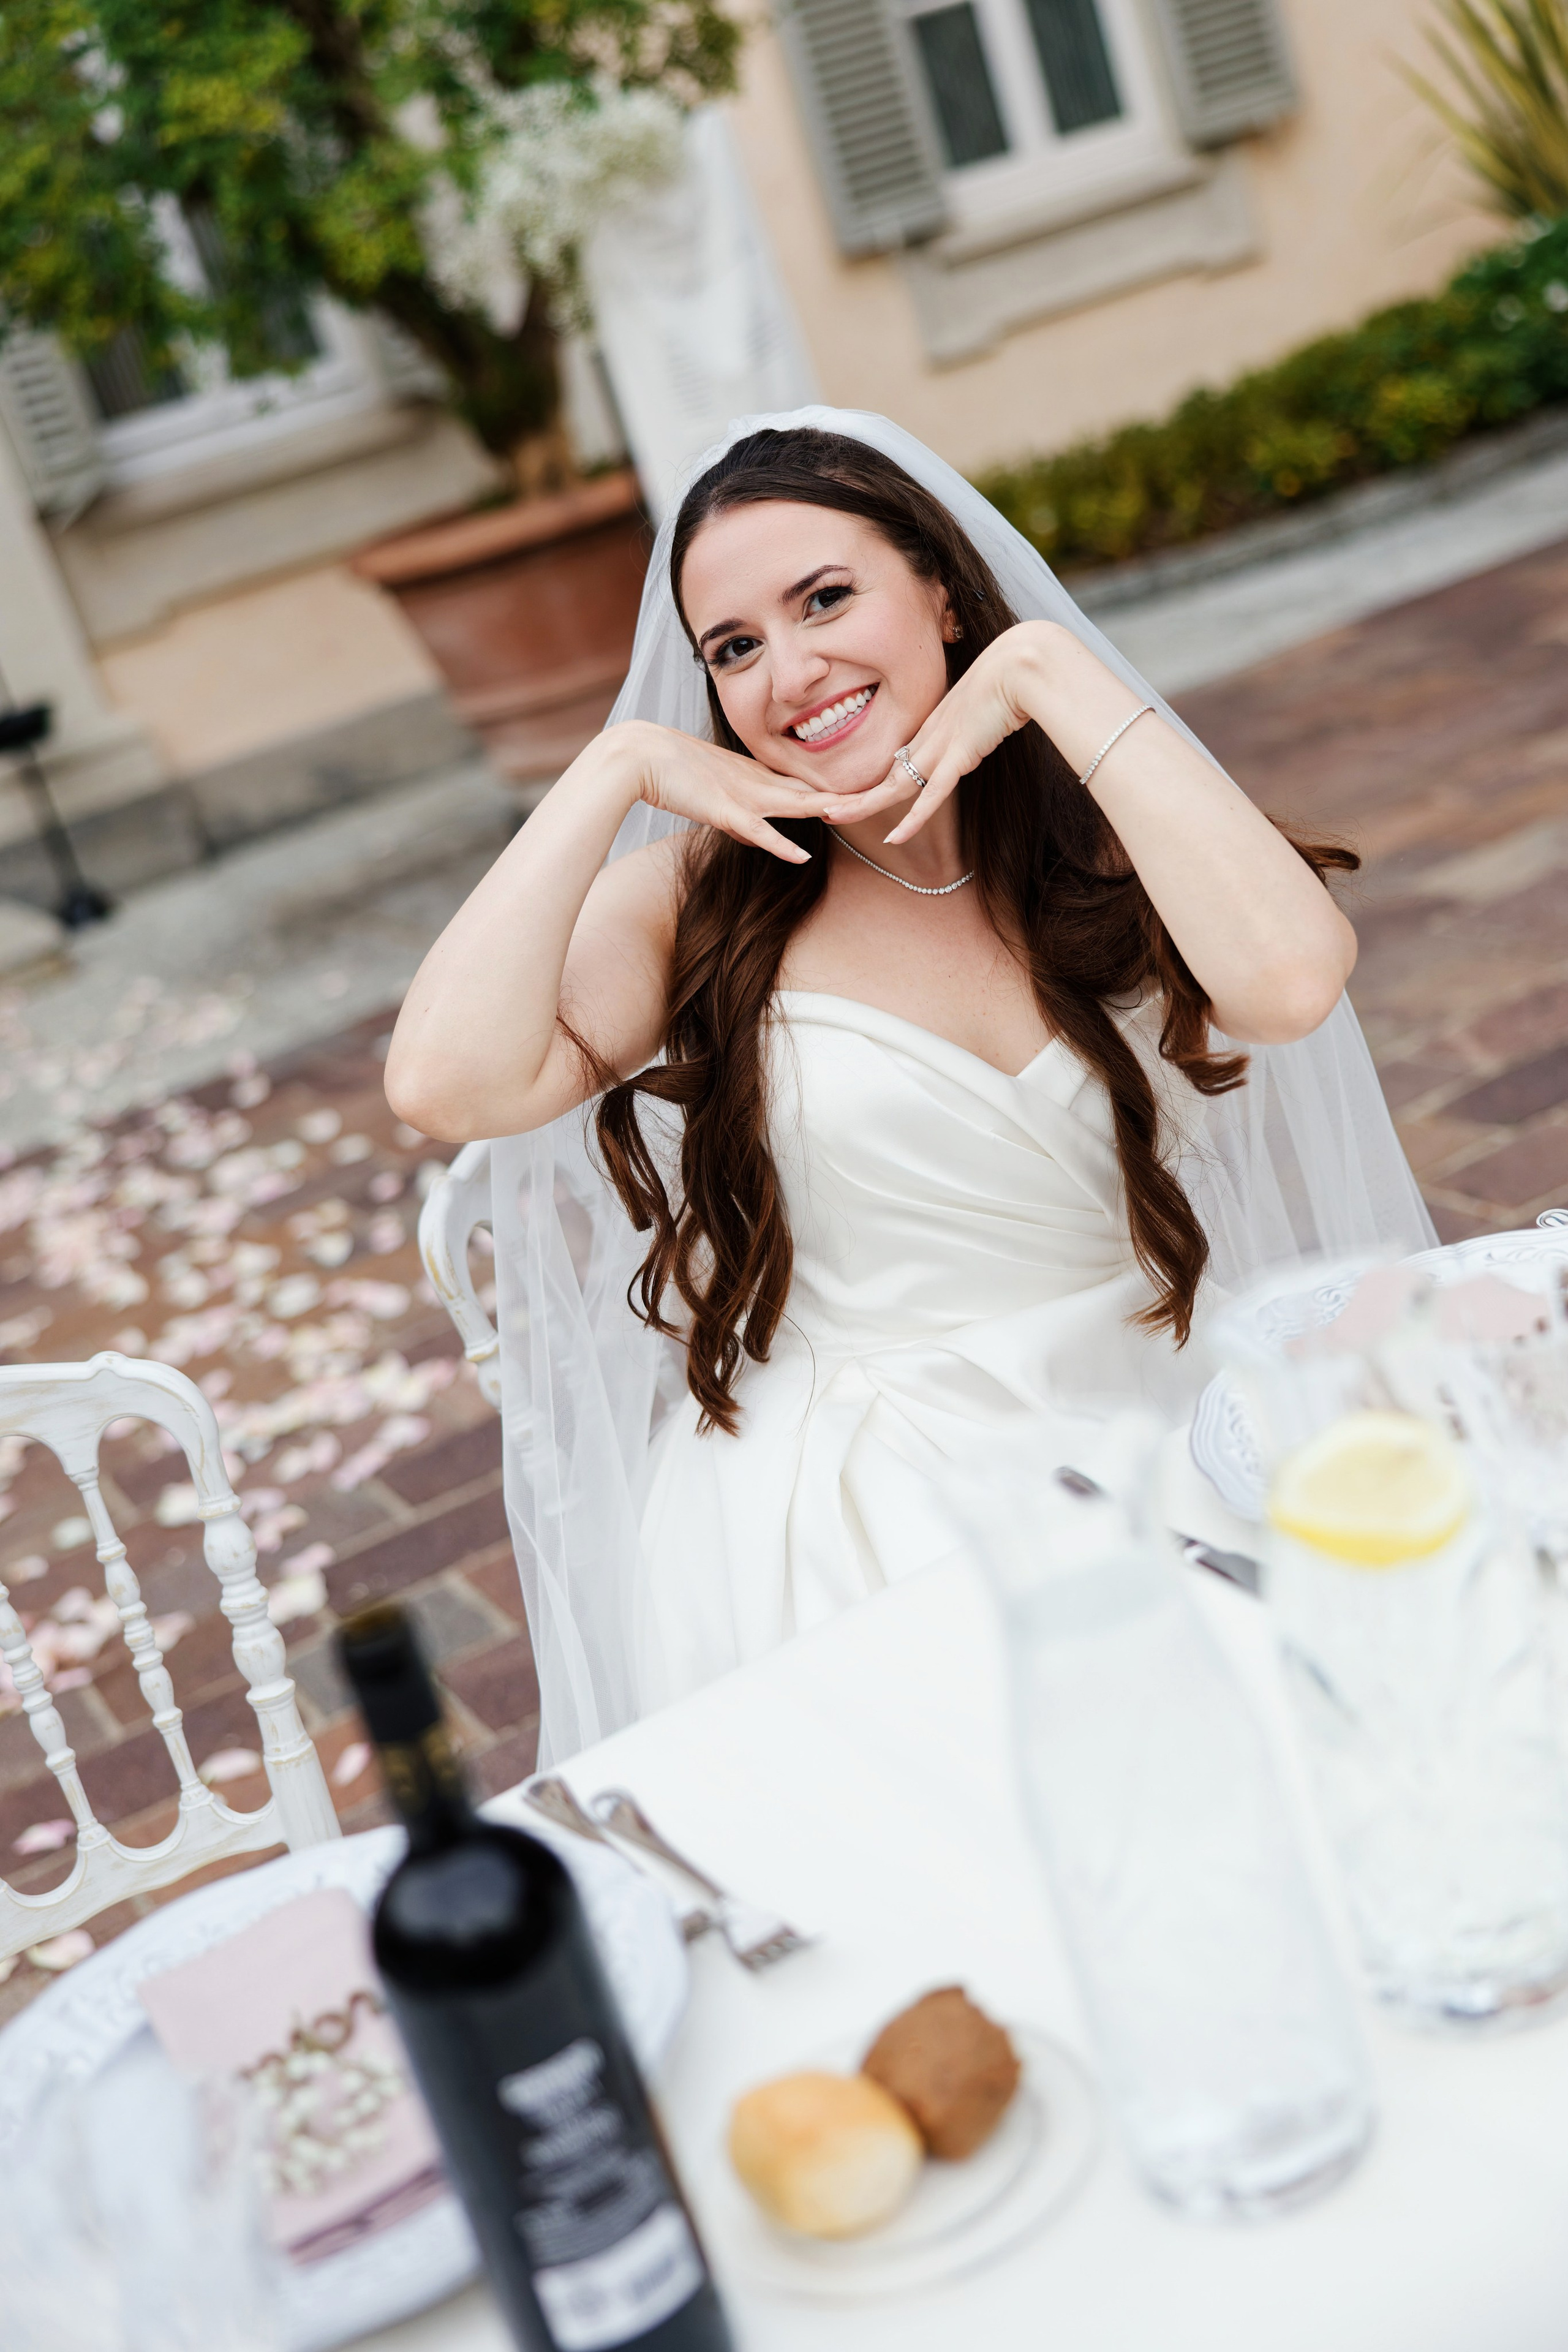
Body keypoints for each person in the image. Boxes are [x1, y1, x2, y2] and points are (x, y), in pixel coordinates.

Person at [389, 409, 1433, 1763]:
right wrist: (615, 770)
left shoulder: (1093, 824)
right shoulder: (698, 902)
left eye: (825, 598)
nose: (789, 671)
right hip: (873, 1505)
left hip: (1159, 1412)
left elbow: (1292, 979)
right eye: (734, 648)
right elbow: (442, 1082)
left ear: (939, 591)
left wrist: (1048, 669)